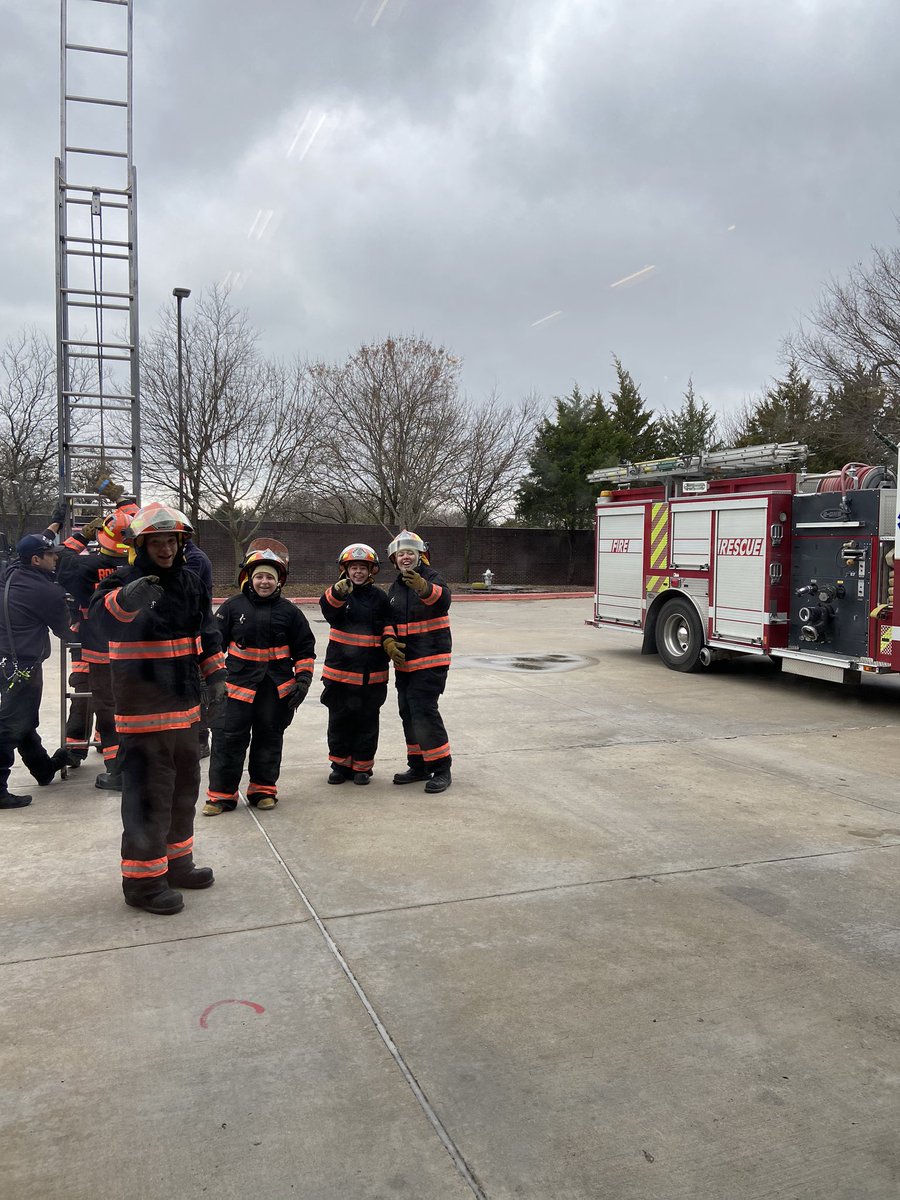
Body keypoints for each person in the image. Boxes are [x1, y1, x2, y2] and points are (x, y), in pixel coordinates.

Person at [91, 503, 226, 915]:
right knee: (148, 797)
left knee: (184, 788)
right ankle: (144, 884)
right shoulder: (121, 580)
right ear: (141, 545)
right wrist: (125, 601)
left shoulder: (189, 582)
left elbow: (206, 632)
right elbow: (99, 624)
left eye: (172, 541)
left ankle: (176, 863)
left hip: (185, 710)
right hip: (143, 711)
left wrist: (216, 677)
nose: (166, 548)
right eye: (157, 541)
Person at [204, 546, 315, 815]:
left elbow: (304, 649)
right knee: (227, 740)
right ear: (248, 578)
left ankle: (263, 790)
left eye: (270, 578)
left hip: (275, 690)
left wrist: (303, 680)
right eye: (259, 577)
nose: (264, 582)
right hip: (237, 688)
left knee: (269, 738)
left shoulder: (290, 613)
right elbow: (213, 645)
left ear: (279, 582)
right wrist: (210, 681)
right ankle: (221, 796)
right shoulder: (232, 607)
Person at [57, 498, 139, 790]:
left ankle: (117, 770)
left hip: (98, 649)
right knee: (135, 707)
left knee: (106, 707)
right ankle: (133, 766)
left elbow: (60, 558)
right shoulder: (137, 571)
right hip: (135, 652)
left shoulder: (84, 567)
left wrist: (81, 536)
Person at [0, 527, 77, 808]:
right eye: (50, 555)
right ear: (35, 560)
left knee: (22, 719)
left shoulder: (10, 574)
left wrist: (53, 527)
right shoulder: (46, 592)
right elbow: (66, 631)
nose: (55, 559)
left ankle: (43, 768)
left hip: (5, 660)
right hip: (24, 666)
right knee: (9, 726)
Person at [319, 543, 395, 785]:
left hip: (371, 676)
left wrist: (390, 640)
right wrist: (337, 594)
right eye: (354, 567)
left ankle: (362, 767)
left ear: (371, 571)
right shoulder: (339, 594)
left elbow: (388, 623)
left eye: (363, 567)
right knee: (339, 721)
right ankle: (340, 766)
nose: (358, 572)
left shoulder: (380, 598)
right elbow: (328, 610)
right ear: (346, 570)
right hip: (340, 675)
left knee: (367, 722)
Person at [386, 531, 453, 794]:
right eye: (401, 553)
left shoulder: (432, 577)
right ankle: (419, 764)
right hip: (405, 664)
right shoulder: (395, 587)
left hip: (431, 660)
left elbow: (444, 600)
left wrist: (423, 588)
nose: (405, 557)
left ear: (420, 555)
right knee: (408, 712)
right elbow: (389, 621)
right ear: (395, 559)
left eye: (410, 553)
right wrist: (389, 642)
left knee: (424, 711)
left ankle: (441, 767)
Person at [183, 538, 215, 759]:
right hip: (186, 632)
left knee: (199, 690)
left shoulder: (195, 559)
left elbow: (182, 589)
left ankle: (201, 740)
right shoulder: (191, 556)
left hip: (195, 634)